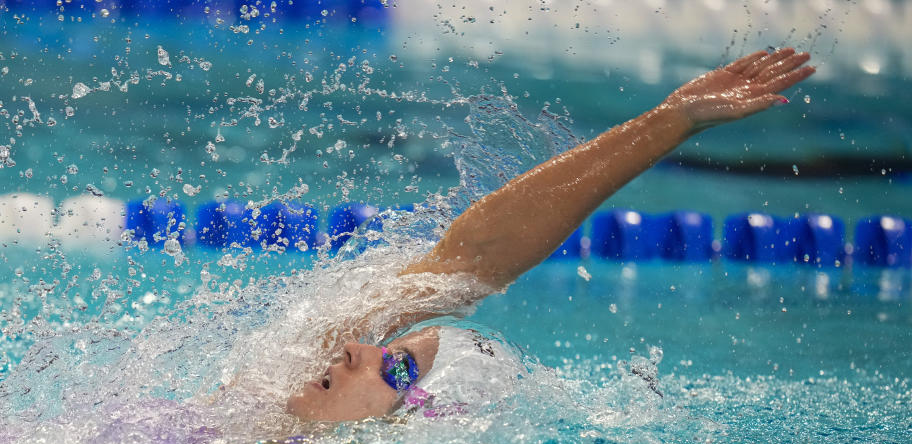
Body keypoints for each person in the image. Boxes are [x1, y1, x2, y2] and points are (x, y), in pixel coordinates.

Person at [282, 48, 815, 423]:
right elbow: (469, 264)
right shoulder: (271, 397)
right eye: (387, 351)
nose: (354, 348)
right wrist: (669, 121)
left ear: (421, 420)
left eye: (397, 368)